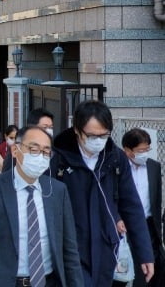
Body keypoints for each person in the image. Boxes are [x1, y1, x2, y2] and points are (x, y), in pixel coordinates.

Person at [51, 100, 154, 286]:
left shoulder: (115, 158)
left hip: (105, 246)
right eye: (91, 136)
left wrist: (145, 254)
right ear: (77, 130)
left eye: (103, 135)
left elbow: (131, 205)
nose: (98, 141)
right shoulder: (58, 158)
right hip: (71, 247)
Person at [0, 125, 83, 287]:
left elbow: (70, 251)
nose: (40, 157)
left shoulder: (57, 190)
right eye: (34, 150)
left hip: (47, 281)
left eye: (46, 152)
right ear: (15, 151)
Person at [117, 128, 164, 287]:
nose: (144, 153)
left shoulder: (154, 167)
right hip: (125, 226)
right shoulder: (118, 168)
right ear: (127, 150)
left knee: (151, 269)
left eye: (147, 149)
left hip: (149, 225)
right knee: (127, 267)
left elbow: (156, 199)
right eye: (140, 150)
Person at [3, 108, 54, 172]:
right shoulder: (18, 150)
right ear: (32, 127)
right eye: (45, 127)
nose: (48, 131)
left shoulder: (55, 153)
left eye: (51, 127)